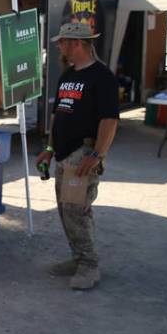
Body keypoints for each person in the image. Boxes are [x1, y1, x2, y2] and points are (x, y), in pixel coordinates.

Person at [35, 22, 119, 291]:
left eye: (63, 42)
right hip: (63, 153)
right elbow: (57, 116)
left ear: (78, 43)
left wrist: (96, 154)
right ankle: (78, 258)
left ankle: (89, 265)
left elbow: (109, 120)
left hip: (83, 153)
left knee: (76, 209)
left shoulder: (102, 76)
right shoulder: (68, 75)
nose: (59, 46)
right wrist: (49, 150)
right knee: (65, 208)